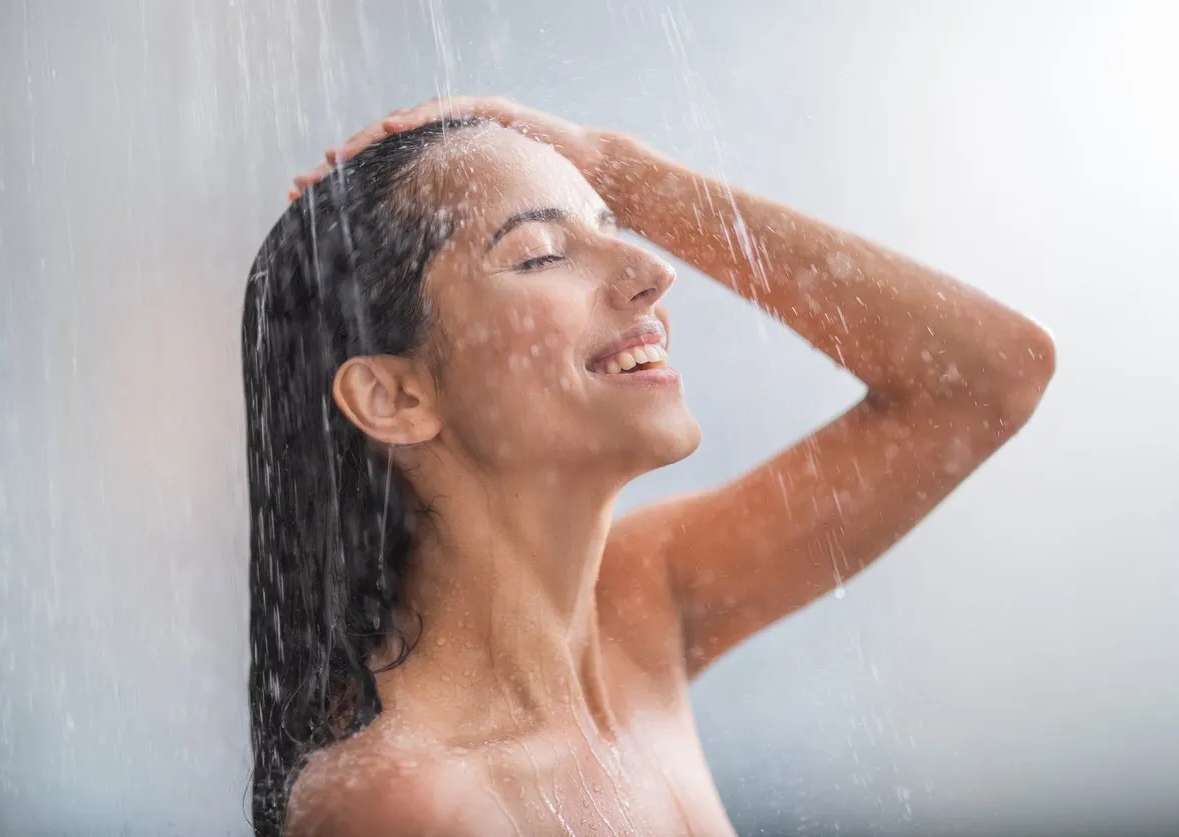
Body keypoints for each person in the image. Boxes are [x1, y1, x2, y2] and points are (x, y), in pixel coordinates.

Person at [241, 97, 1055, 837]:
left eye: (612, 225)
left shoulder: (640, 605)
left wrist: (627, 173)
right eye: (539, 254)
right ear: (393, 395)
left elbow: (988, 379)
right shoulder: (403, 804)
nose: (654, 272)